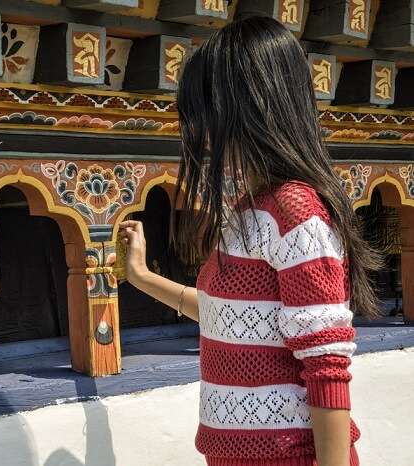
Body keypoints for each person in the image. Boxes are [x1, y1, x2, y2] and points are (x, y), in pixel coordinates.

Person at [120, 15, 380, 466]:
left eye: (206, 113)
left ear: (247, 109)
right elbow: (225, 316)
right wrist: (140, 276)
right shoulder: (248, 211)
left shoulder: (296, 213)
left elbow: (326, 366)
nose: (200, 133)